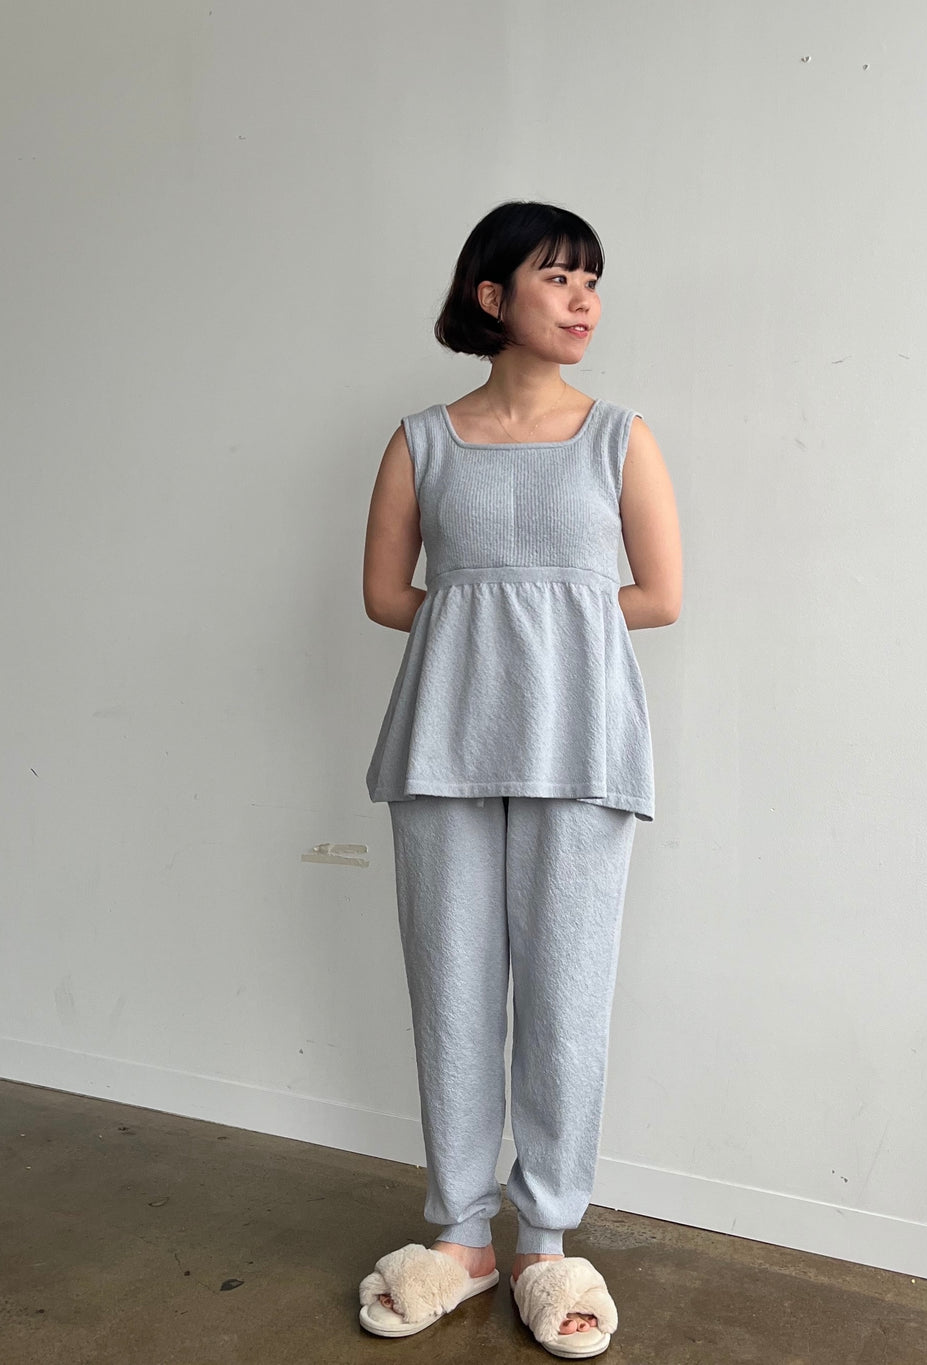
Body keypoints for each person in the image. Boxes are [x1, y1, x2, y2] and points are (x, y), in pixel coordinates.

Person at [357, 201, 682, 1355]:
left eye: (592, 279)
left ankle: (544, 1242)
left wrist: (543, 637)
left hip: (580, 740)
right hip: (443, 737)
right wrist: (486, 634)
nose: (584, 299)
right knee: (450, 989)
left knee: (565, 996)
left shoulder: (621, 437)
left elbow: (660, 594)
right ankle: (461, 1237)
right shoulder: (421, 440)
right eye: (558, 277)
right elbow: (386, 596)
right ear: (492, 296)